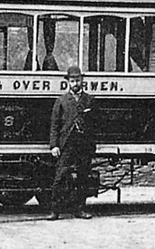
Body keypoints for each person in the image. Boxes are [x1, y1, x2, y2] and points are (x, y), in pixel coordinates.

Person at [47, 66, 97, 220]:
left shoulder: (89, 100)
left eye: (78, 80)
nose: (76, 83)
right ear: (68, 82)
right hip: (66, 144)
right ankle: (55, 211)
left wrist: (93, 144)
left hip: (83, 144)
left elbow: (96, 124)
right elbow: (55, 125)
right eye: (73, 80)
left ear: (82, 81)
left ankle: (79, 210)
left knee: (82, 177)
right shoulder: (61, 100)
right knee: (60, 177)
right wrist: (54, 145)